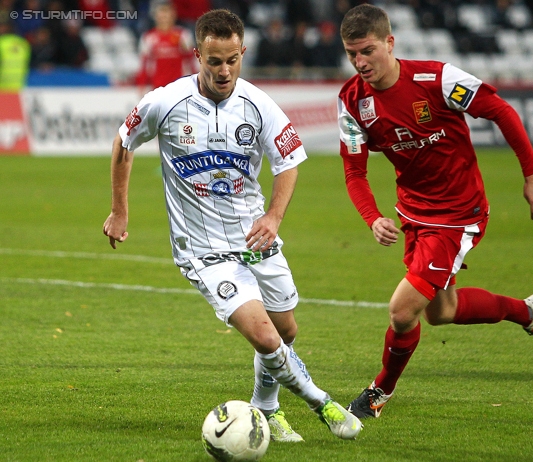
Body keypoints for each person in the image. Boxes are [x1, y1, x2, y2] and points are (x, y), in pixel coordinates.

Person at [103, 9, 362, 442]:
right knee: (264, 336)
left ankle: (267, 408)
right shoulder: (165, 101)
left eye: (231, 60)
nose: (224, 71)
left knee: (285, 330)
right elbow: (123, 143)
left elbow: (289, 161)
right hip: (202, 249)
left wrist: (274, 216)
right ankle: (324, 403)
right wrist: (119, 209)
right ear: (197, 56)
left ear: (242, 52)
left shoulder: (259, 105)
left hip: (256, 237)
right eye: (214, 61)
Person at [336, 4, 533, 420]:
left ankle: (379, 392)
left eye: (367, 51)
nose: (360, 63)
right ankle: (531, 312)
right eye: (352, 54)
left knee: (403, 311)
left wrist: (532, 175)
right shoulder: (351, 101)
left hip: (458, 214)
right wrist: (373, 217)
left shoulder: (438, 79)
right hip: (413, 214)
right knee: (442, 312)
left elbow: (501, 111)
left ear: (389, 42)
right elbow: (354, 172)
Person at [135, 2, 197, 89]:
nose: (164, 18)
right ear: (155, 17)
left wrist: (196, 83)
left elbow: (191, 61)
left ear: (173, 15)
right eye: (161, 15)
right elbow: (144, 65)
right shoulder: (148, 37)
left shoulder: (183, 35)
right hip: (158, 86)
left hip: (179, 86)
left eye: (166, 14)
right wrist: (141, 85)